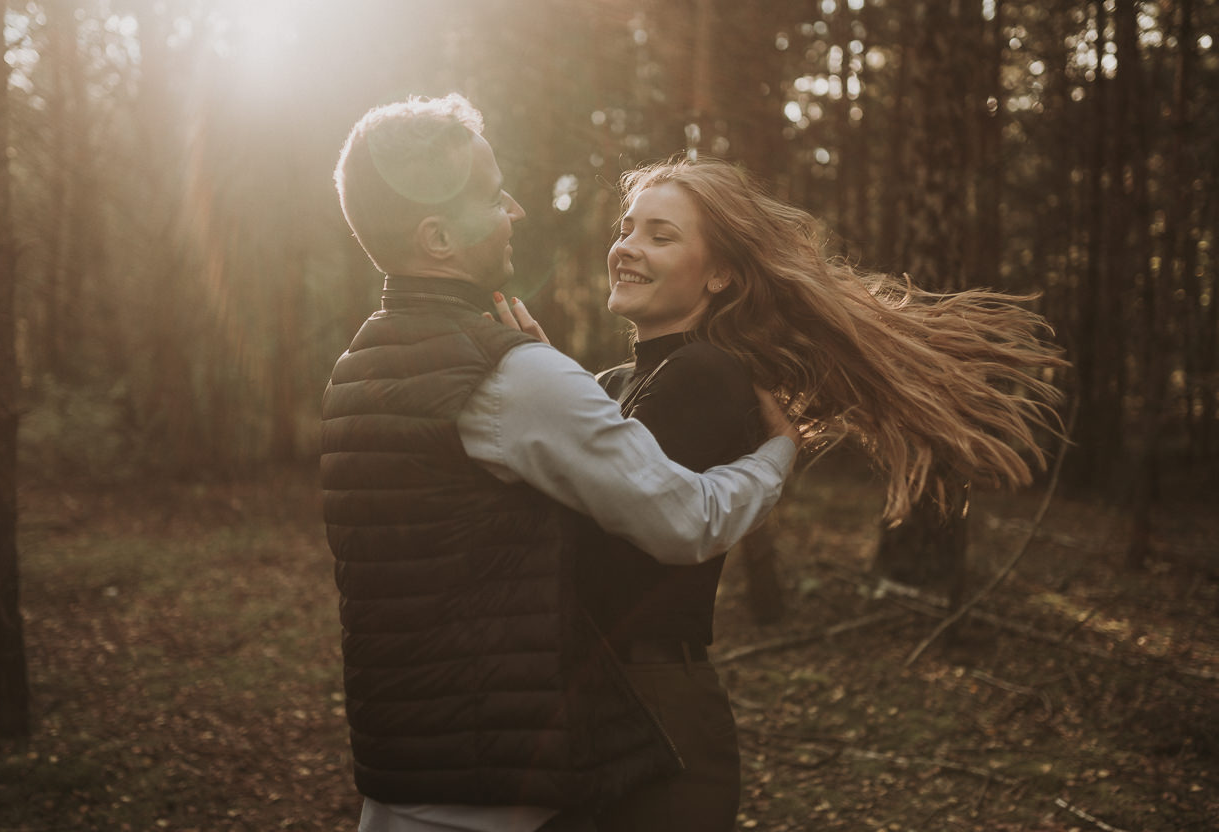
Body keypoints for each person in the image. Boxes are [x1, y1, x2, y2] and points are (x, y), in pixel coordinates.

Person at [322, 95, 804, 832]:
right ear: (440, 237)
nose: (514, 209)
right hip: (485, 771)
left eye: (661, 234)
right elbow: (682, 518)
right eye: (492, 196)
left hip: (405, 755)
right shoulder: (515, 379)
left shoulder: (362, 362)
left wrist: (551, 381)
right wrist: (782, 451)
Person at [573, 156, 1066, 830]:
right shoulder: (610, 382)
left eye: (661, 235)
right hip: (603, 696)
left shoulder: (705, 374)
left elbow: (608, 530)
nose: (627, 248)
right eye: (627, 228)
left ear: (720, 275)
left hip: (655, 707)